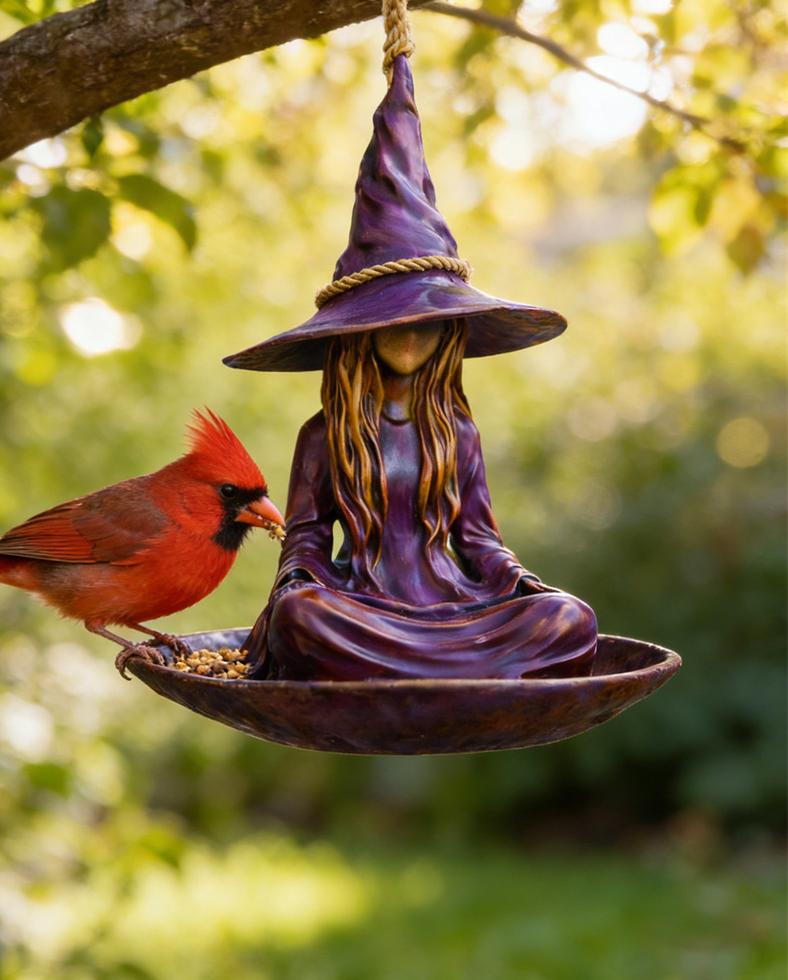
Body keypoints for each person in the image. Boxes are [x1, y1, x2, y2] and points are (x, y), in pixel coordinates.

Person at [225, 54, 598, 681]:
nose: (407, 337)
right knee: (301, 620)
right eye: (388, 321)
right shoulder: (323, 436)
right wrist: (297, 588)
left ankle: (429, 666)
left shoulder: (458, 433)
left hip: (457, 609)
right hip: (357, 607)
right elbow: (308, 540)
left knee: (570, 620)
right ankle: (437, 669)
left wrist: (525, 587)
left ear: (450, 332)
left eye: (425, 321)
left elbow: (478, 542)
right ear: (356, 333)